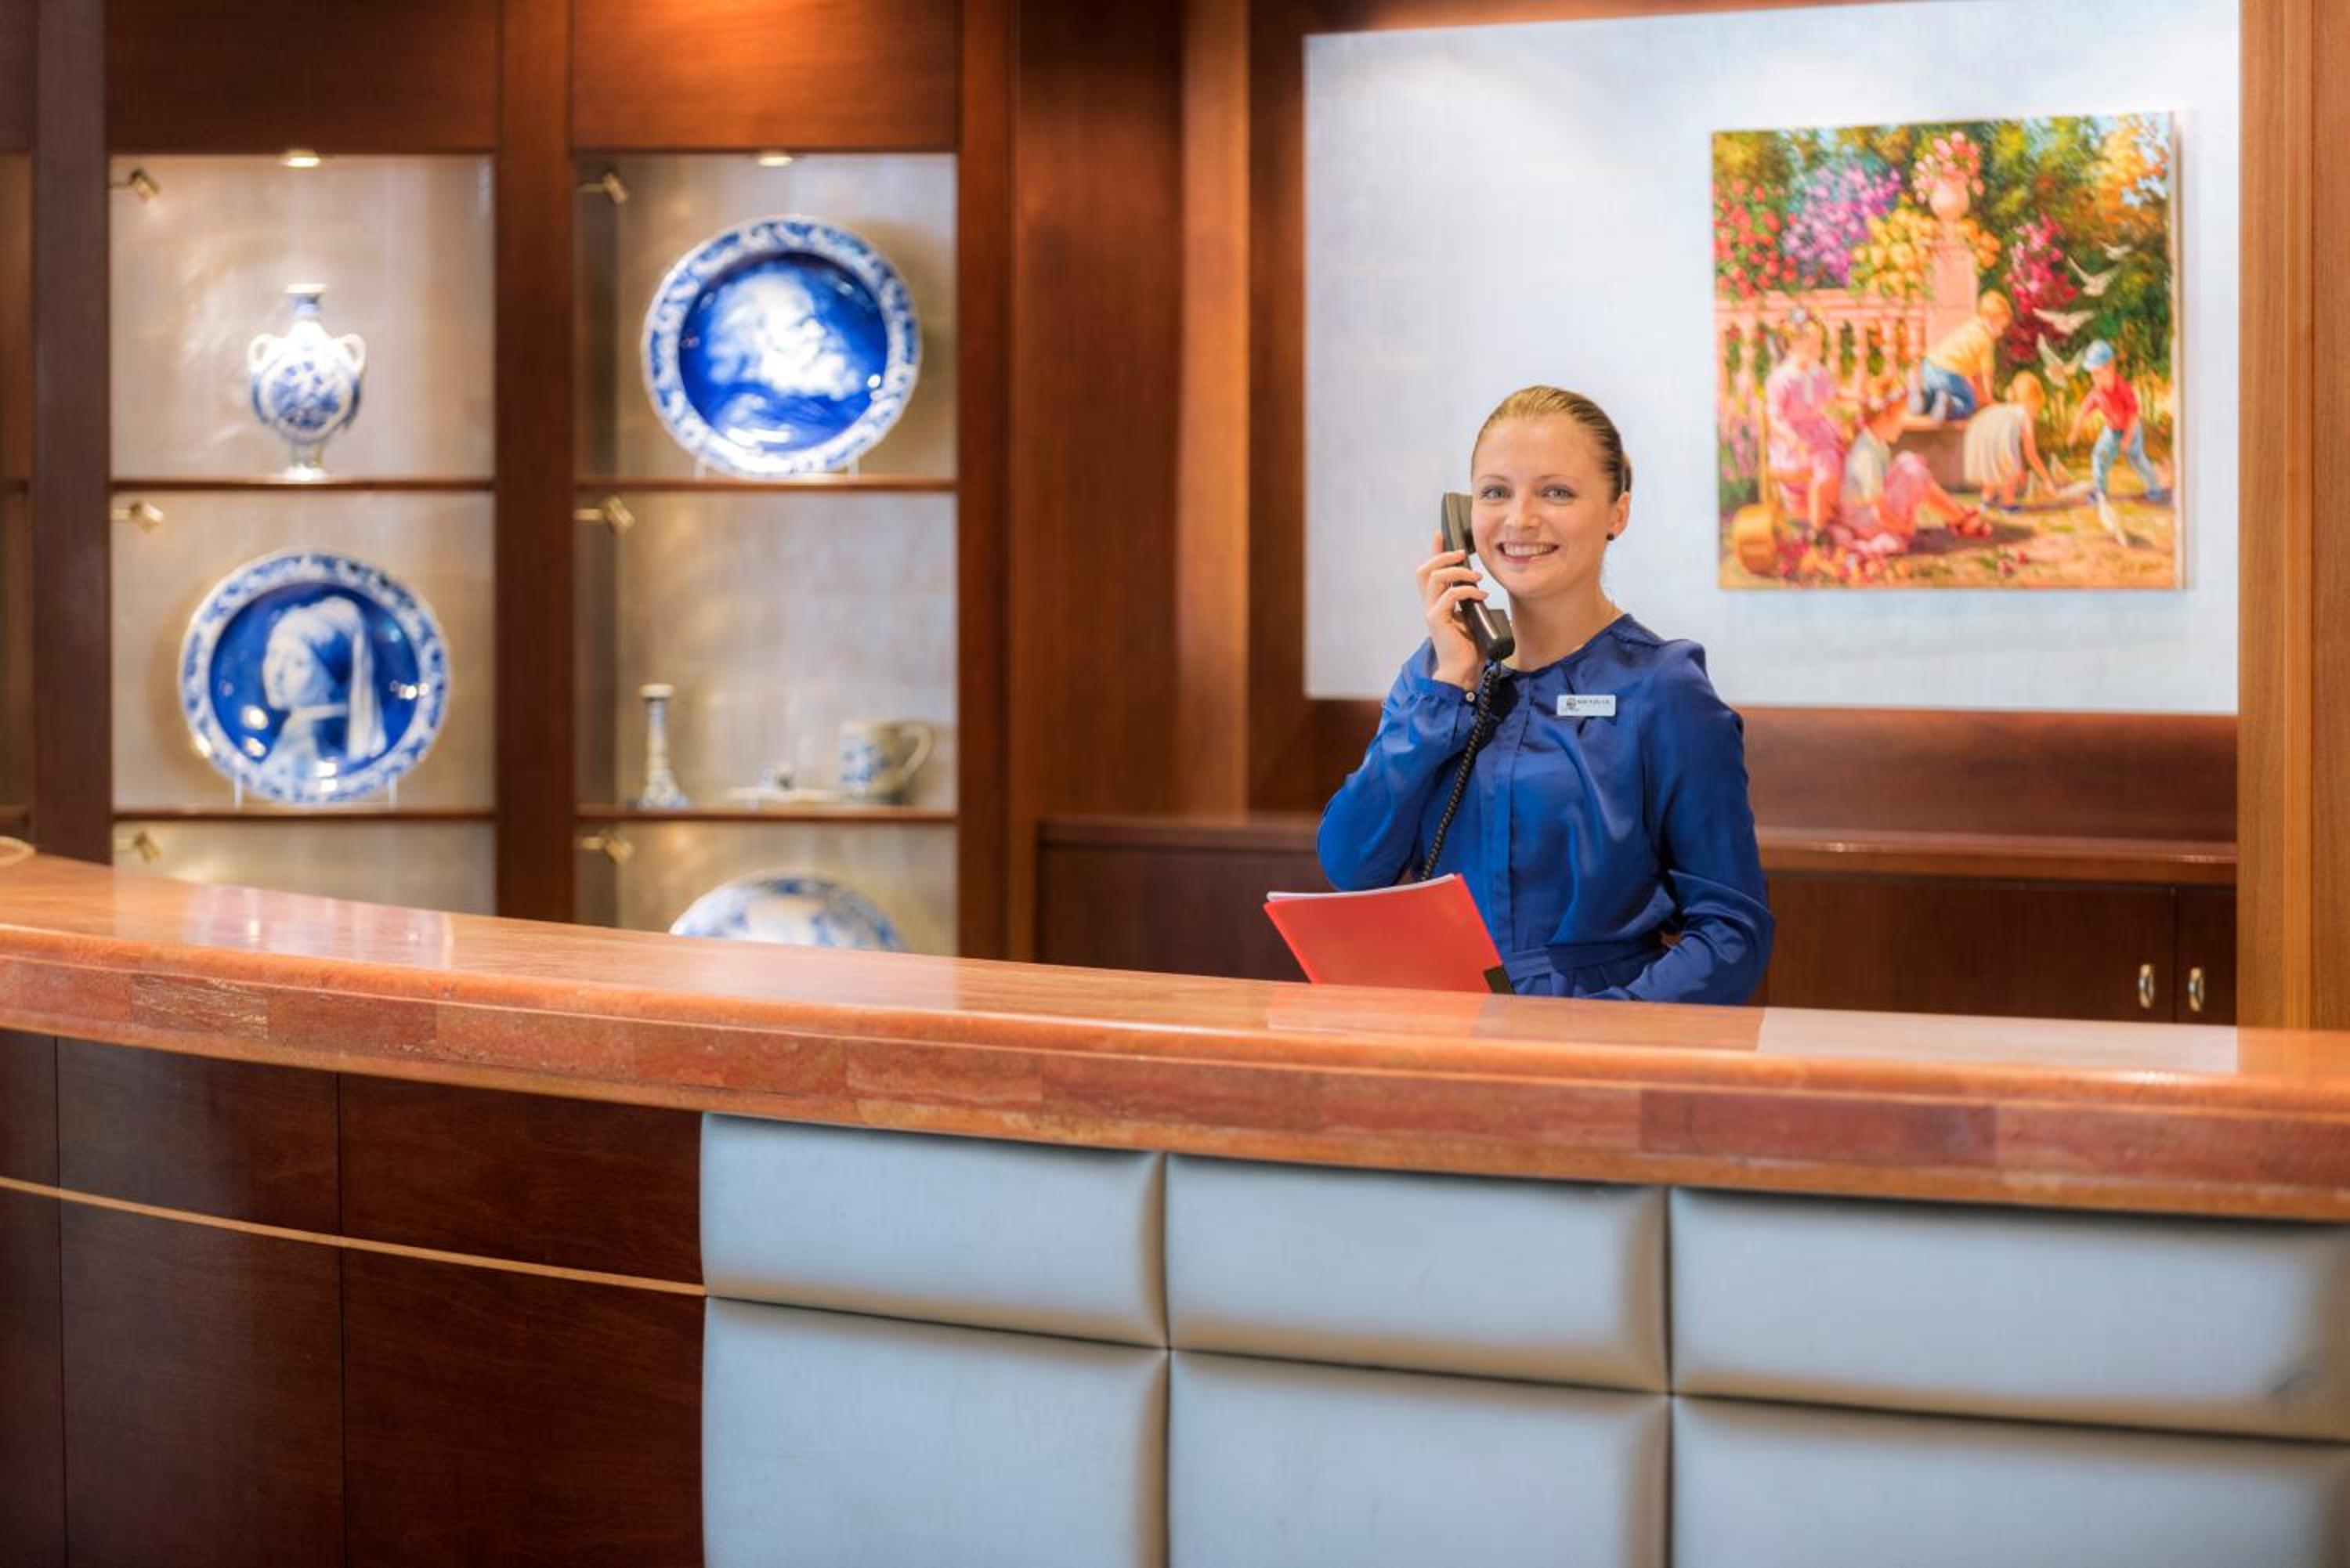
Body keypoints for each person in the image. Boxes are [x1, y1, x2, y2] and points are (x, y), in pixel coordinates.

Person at [1317, 386, 1772, 1004]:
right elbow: (1351, 865)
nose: (1520, 519)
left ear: (1617, 513)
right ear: (1463, 516)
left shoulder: (1664, 689)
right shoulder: (1437, 677)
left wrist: (1592, 1032)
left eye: (1556, 492)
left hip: (1593, 1032)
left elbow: (1732, 933)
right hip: (1444, 1026)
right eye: (1495, 492)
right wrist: (1447, 688)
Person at [1836, 375, 1983, 558]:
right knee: (1913, 474)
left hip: (1871, 514)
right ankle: (1959, 518)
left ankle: (1957, 516)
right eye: (1901, 417)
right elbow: (1878, 511)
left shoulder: (1876, 443)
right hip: (1864, 521)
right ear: (1885, 415)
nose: (1904, 423)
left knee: (1910, 462)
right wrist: (1905, 527)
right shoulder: (1867, 455)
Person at [258, 594, 385, 791]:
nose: (277, 674)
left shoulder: (309, 741)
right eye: (274, 654)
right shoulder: (297, 730)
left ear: (332, 679)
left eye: (298, 662)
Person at [1762, 307, 1847, 540]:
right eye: (1810, 347)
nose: (1816, 352)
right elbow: (1774, 417)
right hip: (1792, 440)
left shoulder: (1819, 373)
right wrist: (1792, 439)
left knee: (1833, 463)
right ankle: (1812, 521)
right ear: (1791, 347)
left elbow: (1833, 396)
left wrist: (1857, 397)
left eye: (1818, 346)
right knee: (1812, 470)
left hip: (1819, 434)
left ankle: (1822, 519)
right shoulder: (1781, 379)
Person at [2067, 339, 2171, 508]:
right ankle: (2100, 491)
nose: (2094, 378)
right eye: (2092, 374)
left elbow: (2133, 414)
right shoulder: (2097, 393)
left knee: (2137, 459)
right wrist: (2075, 432)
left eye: (2097, 373)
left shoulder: (2123, 388)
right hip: (2112, 431)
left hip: (2132, 428)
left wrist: (2128, 437)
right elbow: (2082, 412)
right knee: (2099, 456)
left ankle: (2154, 487)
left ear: (2110, 368)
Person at [1910, 290, 2012, 422]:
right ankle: (1949, 405)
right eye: (2001, 327)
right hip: (1948, 373)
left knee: (1935, 395)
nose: (2001, 332)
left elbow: (1974, 375)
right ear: (1991, 319)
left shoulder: (1969, 326)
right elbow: (1986, 375)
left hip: (1929, 367)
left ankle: (1922, 398)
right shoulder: (1986, 341)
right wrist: (1988, 400)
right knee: (1967, 402)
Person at [1961, 370, 2058, 510]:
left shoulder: (2006, 409)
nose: (2036, 414)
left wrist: (2021, 469)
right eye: (2037, 408)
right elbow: (2030, 453)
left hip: (1982, 435)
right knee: (2009, 469)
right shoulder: (2025, 415)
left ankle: (1986, 499)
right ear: (2033, 400)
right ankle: (2008, 503)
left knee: (1992, 467)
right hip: (1997, 439)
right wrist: (2047, 479)